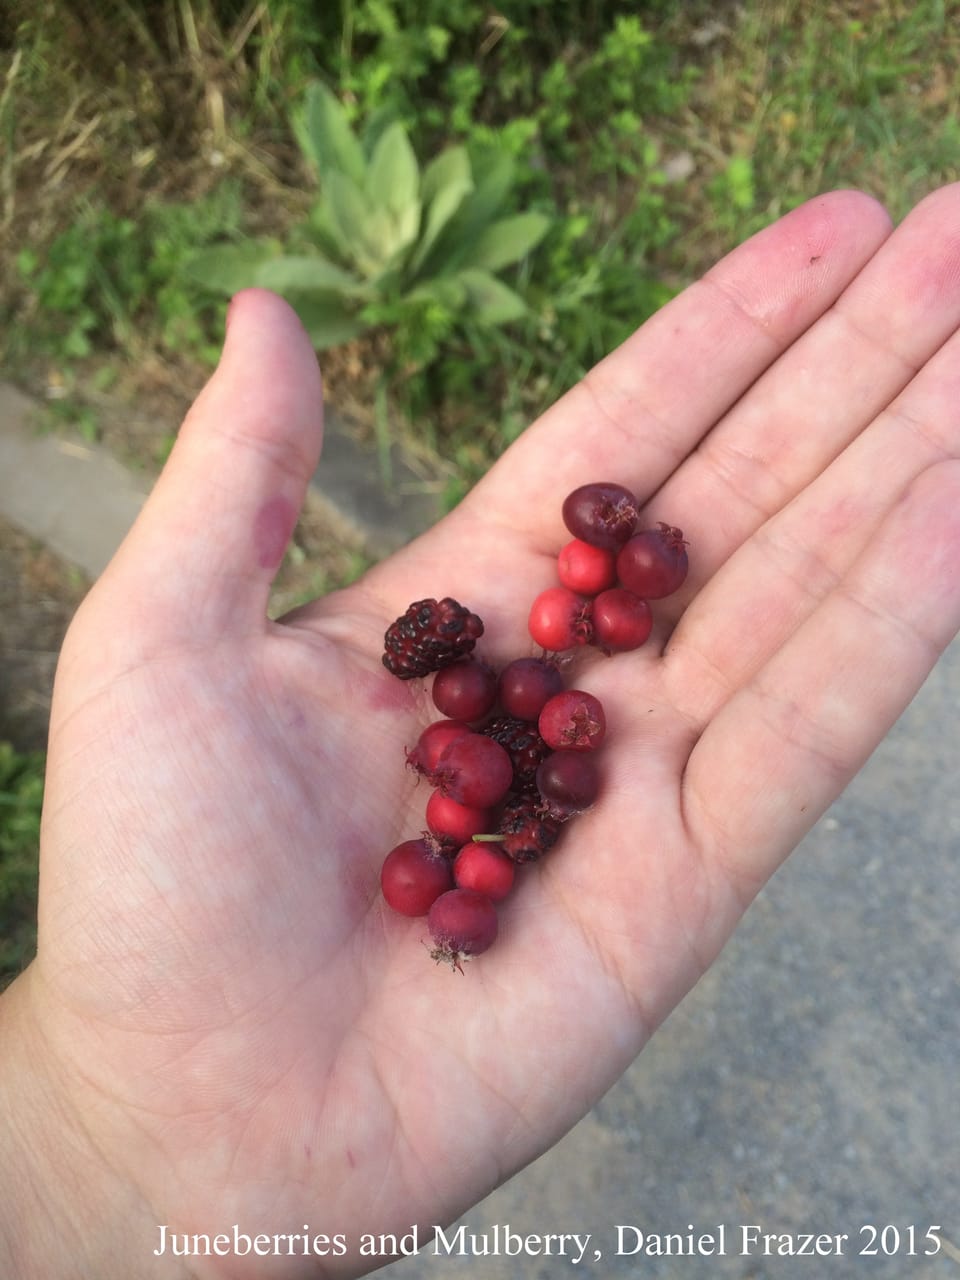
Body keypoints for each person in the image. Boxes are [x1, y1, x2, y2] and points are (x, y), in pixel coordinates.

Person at [2, 185, 959, 1279]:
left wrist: (81, 1153)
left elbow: (517, 757)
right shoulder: (485, 772)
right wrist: (79, 1140)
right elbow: (498, 775)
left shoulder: (516, 734)